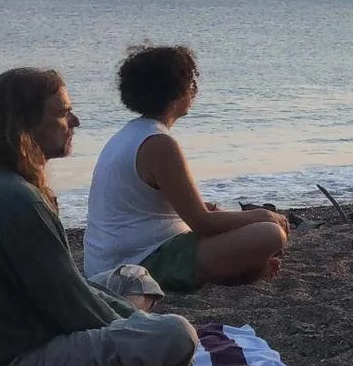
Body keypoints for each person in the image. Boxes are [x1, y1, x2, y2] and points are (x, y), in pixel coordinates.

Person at [0, 68, 198, 366]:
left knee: (135, 278)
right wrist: (139, 327)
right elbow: (72, 309)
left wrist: (130, 320)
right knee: (176, 335)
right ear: (24, 124)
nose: (74, 121)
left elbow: (63, 291)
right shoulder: (19, 200)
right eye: (62, 113)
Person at [84, 45, 288, 293]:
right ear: (176, 90)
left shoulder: (128, 135)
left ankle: (246, 269)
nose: (195, 89)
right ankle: (244, 270)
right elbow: (203, 223)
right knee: (270, 233)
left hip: (119, 257)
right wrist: (263, 215)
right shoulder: (158, 144)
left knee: (240, 227)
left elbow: (180, 212)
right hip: (135, 264)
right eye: (191, 82)